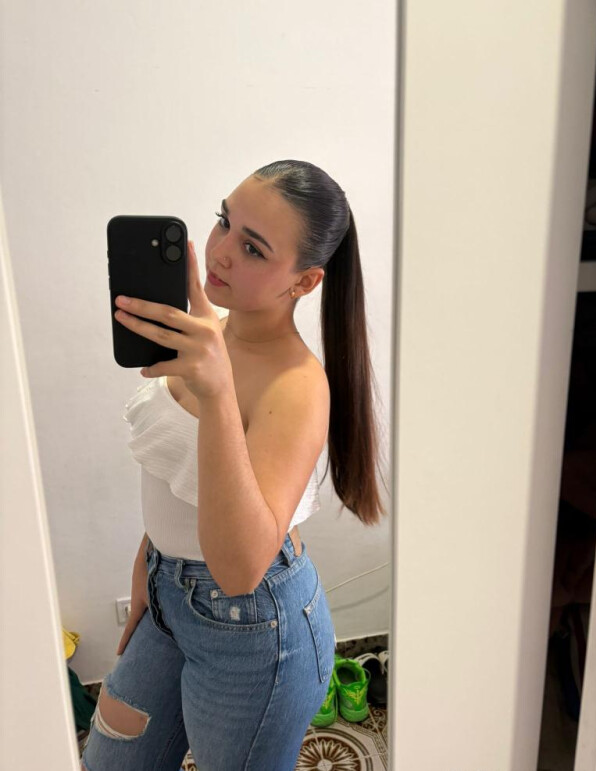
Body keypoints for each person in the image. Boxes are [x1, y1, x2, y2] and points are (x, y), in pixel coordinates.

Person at [81, 159, 387, 770]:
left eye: (252, 247)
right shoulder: (205, 334)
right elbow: (178, 473)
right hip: (168, 597)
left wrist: (218, 392)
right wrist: (149, 562)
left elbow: (241, 569)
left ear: (304, 282)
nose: (220, 251)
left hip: (253, 629)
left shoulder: (296, 387)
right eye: (224, 221)